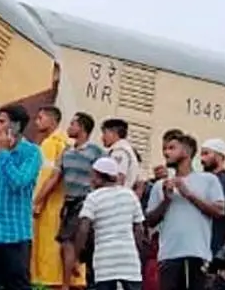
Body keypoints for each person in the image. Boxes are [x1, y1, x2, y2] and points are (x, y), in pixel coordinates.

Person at [144, 132, 224, 290]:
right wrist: (166, 200)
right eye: (164, 149)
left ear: (186, 152)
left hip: (197, 254)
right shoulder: (161, 185)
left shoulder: (208, 180)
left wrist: (188, 194)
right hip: (168, 256)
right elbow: (150, 220)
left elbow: (219, 211)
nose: (166, 152)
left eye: (172, 148)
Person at [0, 103, 42, 290]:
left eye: (2, 121)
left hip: (15, 232)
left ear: (16, 126)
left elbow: (20, 182)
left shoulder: (31, 152)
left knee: (18, 284)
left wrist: (5, 153)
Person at [43, 111, 104, 290]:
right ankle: (72, 273)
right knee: (66, 243)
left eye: (73, 124)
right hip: (68, 202)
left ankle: (66, 284)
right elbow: (55, 177)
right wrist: (38, 200)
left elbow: (106, 176)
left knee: (68, 242)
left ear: (82, 128)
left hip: (85, 201)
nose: (69, 127)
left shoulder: (96, 152)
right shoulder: (66, 151)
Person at [75, 157, 145, 290]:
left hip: (105, 266)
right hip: (130, 265)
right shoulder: (130, 195)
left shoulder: (93, 198)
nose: (91, 180)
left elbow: (83, 229)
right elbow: (139, 230)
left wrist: (77, 257)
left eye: (93, 176)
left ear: (99, 177)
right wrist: (137, 255)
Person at [30, 106, 77, 289]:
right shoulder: (57, 142)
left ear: (52, 120)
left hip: (52, 208)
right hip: (54, 207)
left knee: (52, 259)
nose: (37, 122)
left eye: (40, 118)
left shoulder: (55, 143)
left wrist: (37, 201)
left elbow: (52, 178)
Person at [102, 119, 141, 194]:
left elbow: (119, 178)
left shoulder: (120, 151)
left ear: (113, 133)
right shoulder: (125, 149)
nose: (103, 137)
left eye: (105, 133)